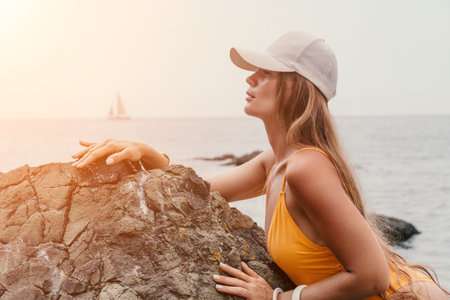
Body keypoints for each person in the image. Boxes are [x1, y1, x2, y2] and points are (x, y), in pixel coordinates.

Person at [71, 31, 448, 299]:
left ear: (296, 87)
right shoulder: (275, 163)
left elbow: (372, 277)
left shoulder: (306, 168)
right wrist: (148, 153)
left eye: (266, 72)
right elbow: (198, 193)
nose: (250, 77)